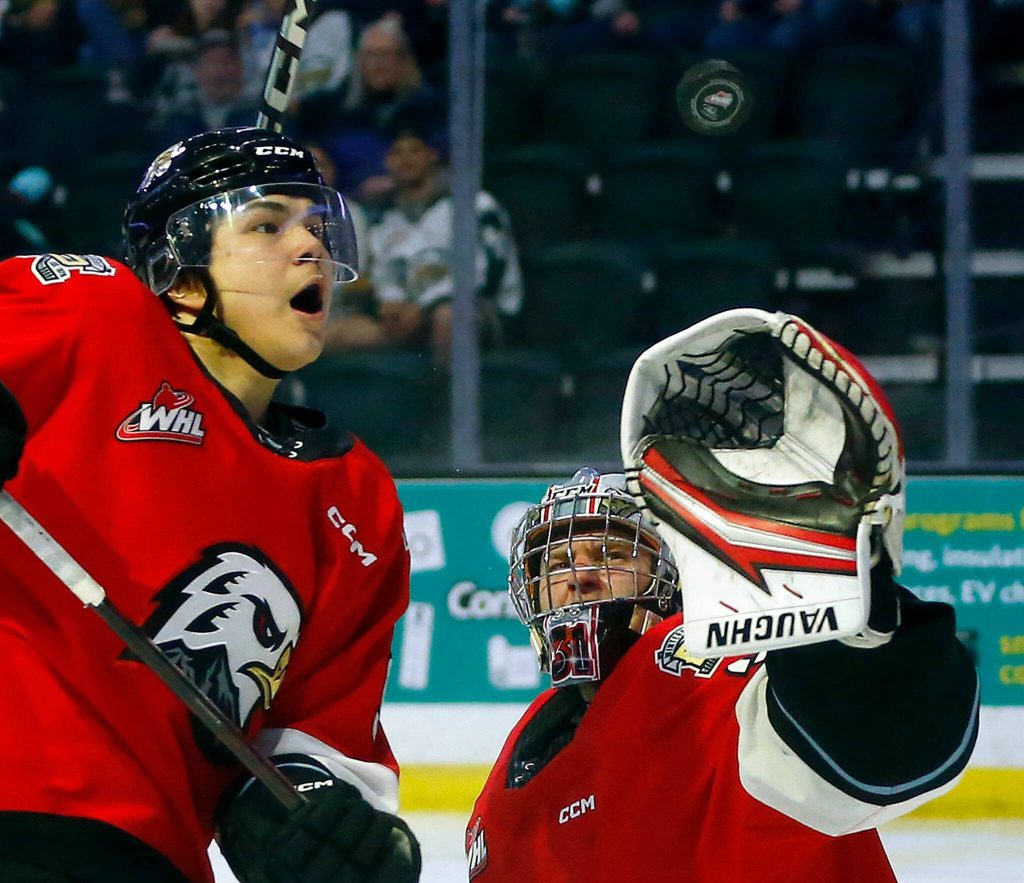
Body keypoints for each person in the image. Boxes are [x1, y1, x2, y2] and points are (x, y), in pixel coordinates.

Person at [0, 126, 420, 883]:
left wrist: (318, 811)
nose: (310, 247)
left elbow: (318, 732)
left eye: (318, 226)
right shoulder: (98, 317)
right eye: (267, 225)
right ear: (183, 276)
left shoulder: (355, 497)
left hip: (150, 856)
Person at [468, 326, 979, 880]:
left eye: (613, 553)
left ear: (671, 575)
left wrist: (853, 617)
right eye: (557, 564)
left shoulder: (703, 668)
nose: (582, 576)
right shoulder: (517, 766)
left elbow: (863, 755)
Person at [367, 121, 523, 367]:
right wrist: (392, 301)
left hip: (482, 310)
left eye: (415, 150)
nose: (405, 159)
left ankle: (445, 403)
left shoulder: (474, 204)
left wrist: (424, 307)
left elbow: (486, 274)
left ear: (432, 155)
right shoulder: (386, 219)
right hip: (411, 315)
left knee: (447, 318)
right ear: (386, 162)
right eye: (396, 153)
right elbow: (384, 274)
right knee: (345, 333)